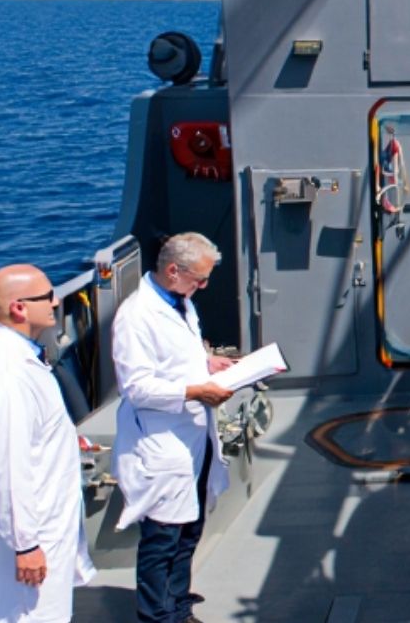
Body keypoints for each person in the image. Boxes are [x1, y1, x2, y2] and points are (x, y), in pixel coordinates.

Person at [0, 265, 96, 622]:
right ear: (19, 308)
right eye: (47, 296)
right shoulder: (8, 374)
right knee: (30, 612)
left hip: (37, 515)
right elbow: (9, 461)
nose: (56, 301)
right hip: (32, 523)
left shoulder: (8, 355)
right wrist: (26, 545)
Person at [112, 233, 236, 623]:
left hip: (192, 437)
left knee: (189, 530)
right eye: (200, 279)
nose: (205, 286)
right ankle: (156, 616)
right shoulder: (136, 317)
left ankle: (179, 608)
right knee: (162, 538)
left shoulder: (180, 301)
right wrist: (195, 390)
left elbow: (174, 357)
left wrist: (207, 362)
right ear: (172, 270)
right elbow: (137, 387)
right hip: (161, 441)